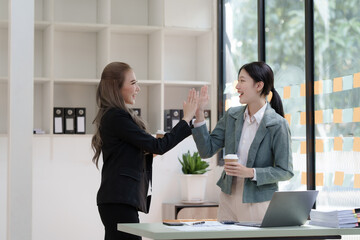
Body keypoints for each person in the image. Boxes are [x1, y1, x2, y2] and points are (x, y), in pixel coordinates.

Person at [91, 62, 198, 240]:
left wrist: (151, 148)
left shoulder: (114, 116)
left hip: (117, 201)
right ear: (116, 87)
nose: (138, 88)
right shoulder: (117, 116)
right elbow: (158, 147)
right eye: (133, 83)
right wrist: (186, 119)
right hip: (119, 201)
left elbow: (140, 151)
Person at [192, 61, 294, 222]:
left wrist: (250, 172)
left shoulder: (278, 124)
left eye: (242, 80)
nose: (237, 86)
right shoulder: (231, 116)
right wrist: (199, 114)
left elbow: (285, 171)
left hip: (258, 201)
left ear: (259, 85)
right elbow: (207, 150)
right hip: (228, 197)